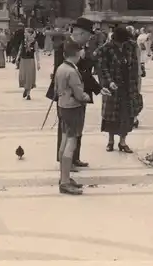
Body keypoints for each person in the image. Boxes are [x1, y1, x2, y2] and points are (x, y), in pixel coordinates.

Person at [46, 17, 110, 169]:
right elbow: (62, 72)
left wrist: (99, 88)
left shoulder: (81, 48)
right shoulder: (65, 47)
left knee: (77, 128)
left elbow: (86, 74)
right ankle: (66, 161)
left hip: (80, 94)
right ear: (81, 33)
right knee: (67, 131)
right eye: (88, 35)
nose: (90, 39)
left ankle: (74, 157)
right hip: (68, 95)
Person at [96, 25, 142, 153]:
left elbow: (134, 64)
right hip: (113, 87)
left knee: (126, 115)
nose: (121, 45)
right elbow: (102, 67)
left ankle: (123, 141)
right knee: (111, 115)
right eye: (119, 43)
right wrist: (108, 82)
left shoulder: (131, 46)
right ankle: (110, 141)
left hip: (128, 85)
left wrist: (136, 82)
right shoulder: (106, 49)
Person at [55, 39, 91, 195]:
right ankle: (64, 182)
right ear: (77, 53)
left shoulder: (61, 68)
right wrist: (87, 97)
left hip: (62, 106)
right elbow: (79, 93)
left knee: (64, 141)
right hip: (73, 108)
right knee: (71, 142)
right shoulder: (72, 71)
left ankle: (63, 177)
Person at [16, 27, 40, 100]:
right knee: (23, 76)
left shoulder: (34, 42)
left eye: (25, 32)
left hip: (30, 60)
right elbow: (20, 50)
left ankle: (28, 93)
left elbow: (37, 52)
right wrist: (17, 58)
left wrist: (38, 62)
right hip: (23, 60)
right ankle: (26, 89)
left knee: (29, 77)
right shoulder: (23, 41)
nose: (24, 33)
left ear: (29, 33)